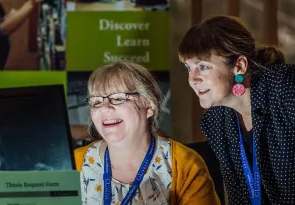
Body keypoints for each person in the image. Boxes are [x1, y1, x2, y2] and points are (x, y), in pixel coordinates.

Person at [178, 15, 295, 205]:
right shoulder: (217, 120)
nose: (193, 78)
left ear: (239, 66)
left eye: (202, 66)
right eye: (188, 67)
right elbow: (240, 198)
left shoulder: (286, 85)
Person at [74, 62, 220, 205]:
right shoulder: (74, 164)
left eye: (118, 98)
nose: (104, 108)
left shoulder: (184, 164)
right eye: (96, 102)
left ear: (149, 106)